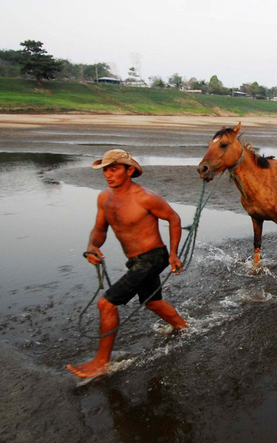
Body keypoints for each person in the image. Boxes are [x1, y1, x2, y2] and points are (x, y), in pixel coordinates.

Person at [66, 149, 187, 378]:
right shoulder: (104, 198)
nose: (108, 175)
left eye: (114, 169)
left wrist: (173, 254)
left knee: (106, 304)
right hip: (135, 260)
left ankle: (101, 362)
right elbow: (100, 230)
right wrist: (92, 246)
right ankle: (184, 329)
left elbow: (173, 218)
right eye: (105, 170)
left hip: (153, 257)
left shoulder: (145, 197)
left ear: (129, 170)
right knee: (153, 302)